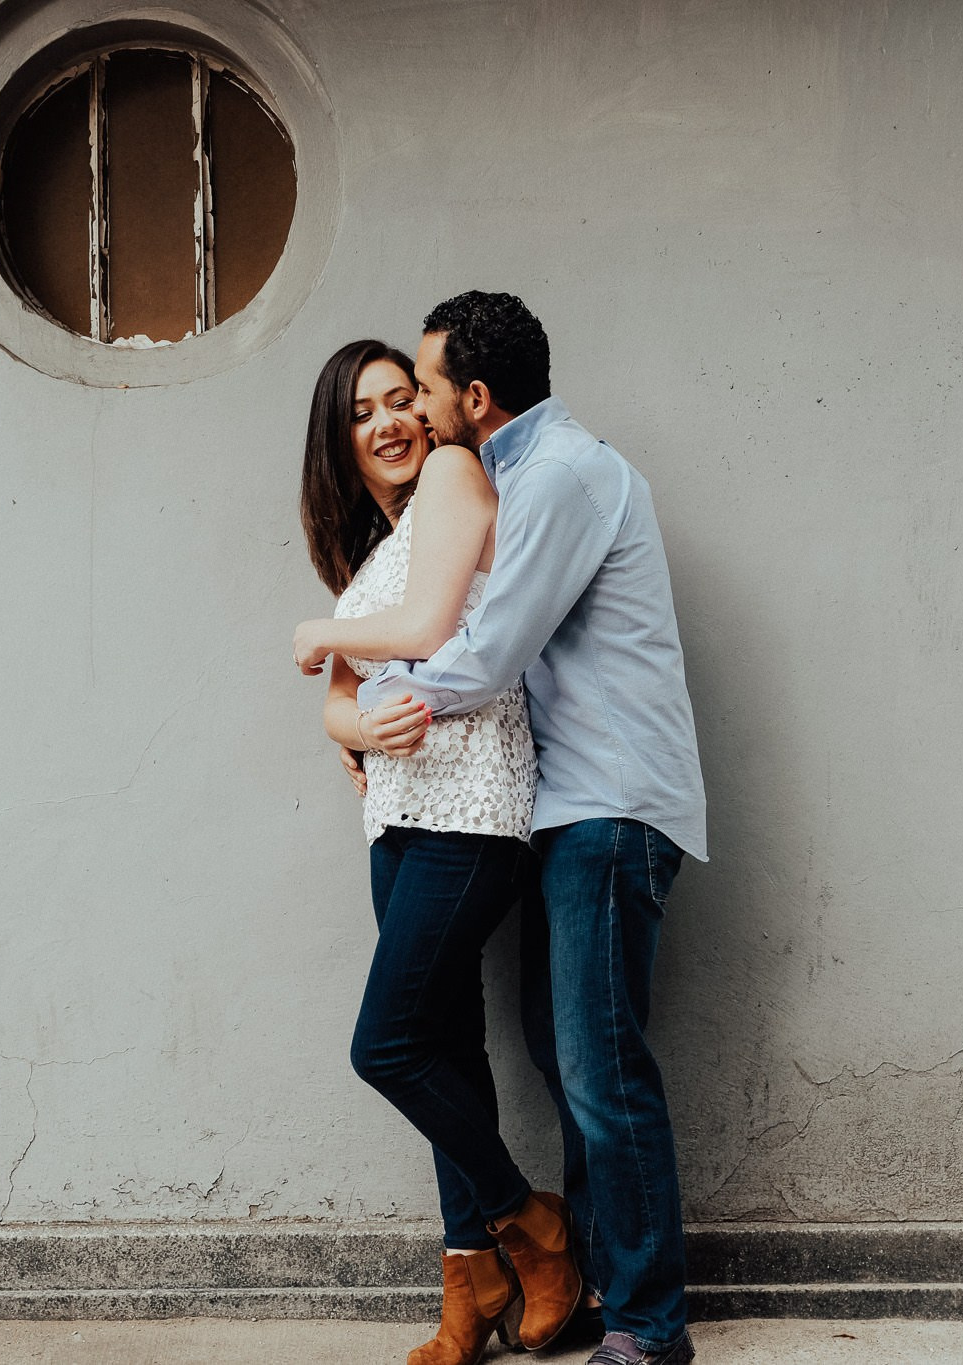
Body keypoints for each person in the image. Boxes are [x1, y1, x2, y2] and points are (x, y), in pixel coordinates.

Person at [355, 293, 708, 1365]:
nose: (411, 405)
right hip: (565, 809)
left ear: (473, 395)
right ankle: (606, 1290)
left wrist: (375, 698)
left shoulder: (556, 475)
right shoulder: (508, 477)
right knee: (567, 1063)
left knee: (601, 1073)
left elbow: (488, 653)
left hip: (607, 807)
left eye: (422, 385)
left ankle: (648, 1329)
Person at [293, 339, 585, 1365]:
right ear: (341, 442)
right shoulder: (374, 547)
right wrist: (357, 731)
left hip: (471, 807)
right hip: (399, 818)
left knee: (387, 1045)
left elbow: (418, 627)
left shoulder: (458, 476)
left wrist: (316, 629)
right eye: (362, 411)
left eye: (399, 397)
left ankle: (530, 1226)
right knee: (446, 1053)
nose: (388, 420)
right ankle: (467, 1296)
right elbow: (335, 706)